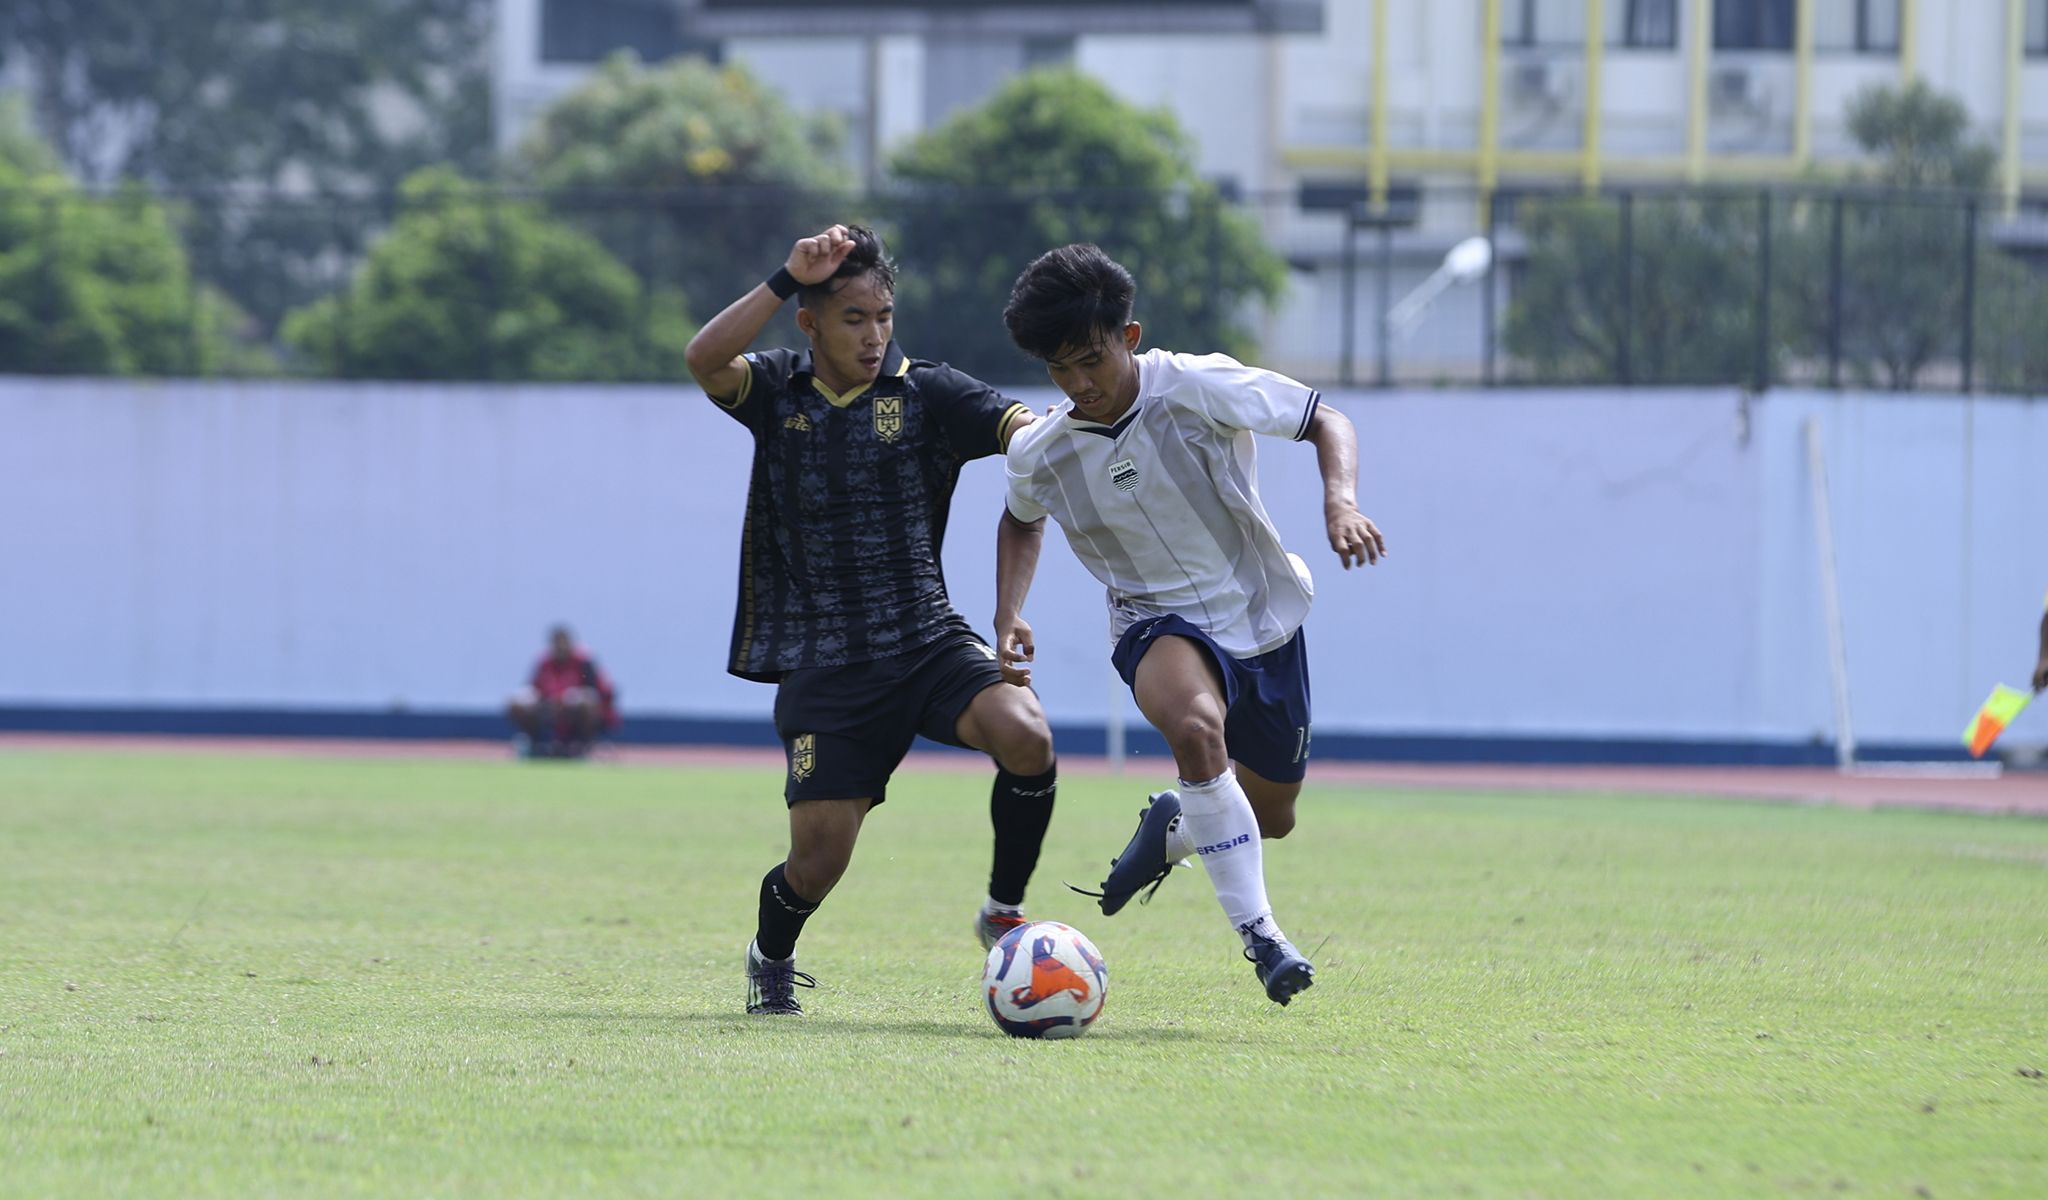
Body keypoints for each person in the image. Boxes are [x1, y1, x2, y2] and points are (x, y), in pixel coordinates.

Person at [993, 243, 1386, 1006]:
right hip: (1153, 621)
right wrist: (1008, 613)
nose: (1079, 385)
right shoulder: (1041, 449)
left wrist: (1340, 502)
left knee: (1272, 817)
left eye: (1091, 361)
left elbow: (1324, 419)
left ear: (1129, 337)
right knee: (1198, 730)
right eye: (1060, 371)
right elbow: (1020, 520)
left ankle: (1179, 825)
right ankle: (1264, 938)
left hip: (1262, 615)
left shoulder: (1198, 385)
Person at [683, 224, 1060, 1017]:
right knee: (818, 860)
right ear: (809, 323)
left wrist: (1044, 435)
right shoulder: (777, 389)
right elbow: (703, 359)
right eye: (854, 317)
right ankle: (770, 956)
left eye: (884, 315)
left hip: (926, 641)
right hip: (827, 665)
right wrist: (786, 273)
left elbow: (1022, 428)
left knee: (1026, 733)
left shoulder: (929, 392)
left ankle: (1001, 909)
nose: (874, 333)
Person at [506, 624, 619, 759]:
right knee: (518, 702)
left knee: (585, 701)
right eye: (557, 644)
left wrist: (570, 698)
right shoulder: (544, 663)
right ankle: (535, 743)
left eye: (564, 643)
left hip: (575, 714)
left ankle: (582, 746)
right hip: (549, 710)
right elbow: (533, 689)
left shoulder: (584, 662)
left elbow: (602, 692)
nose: (560, 648)